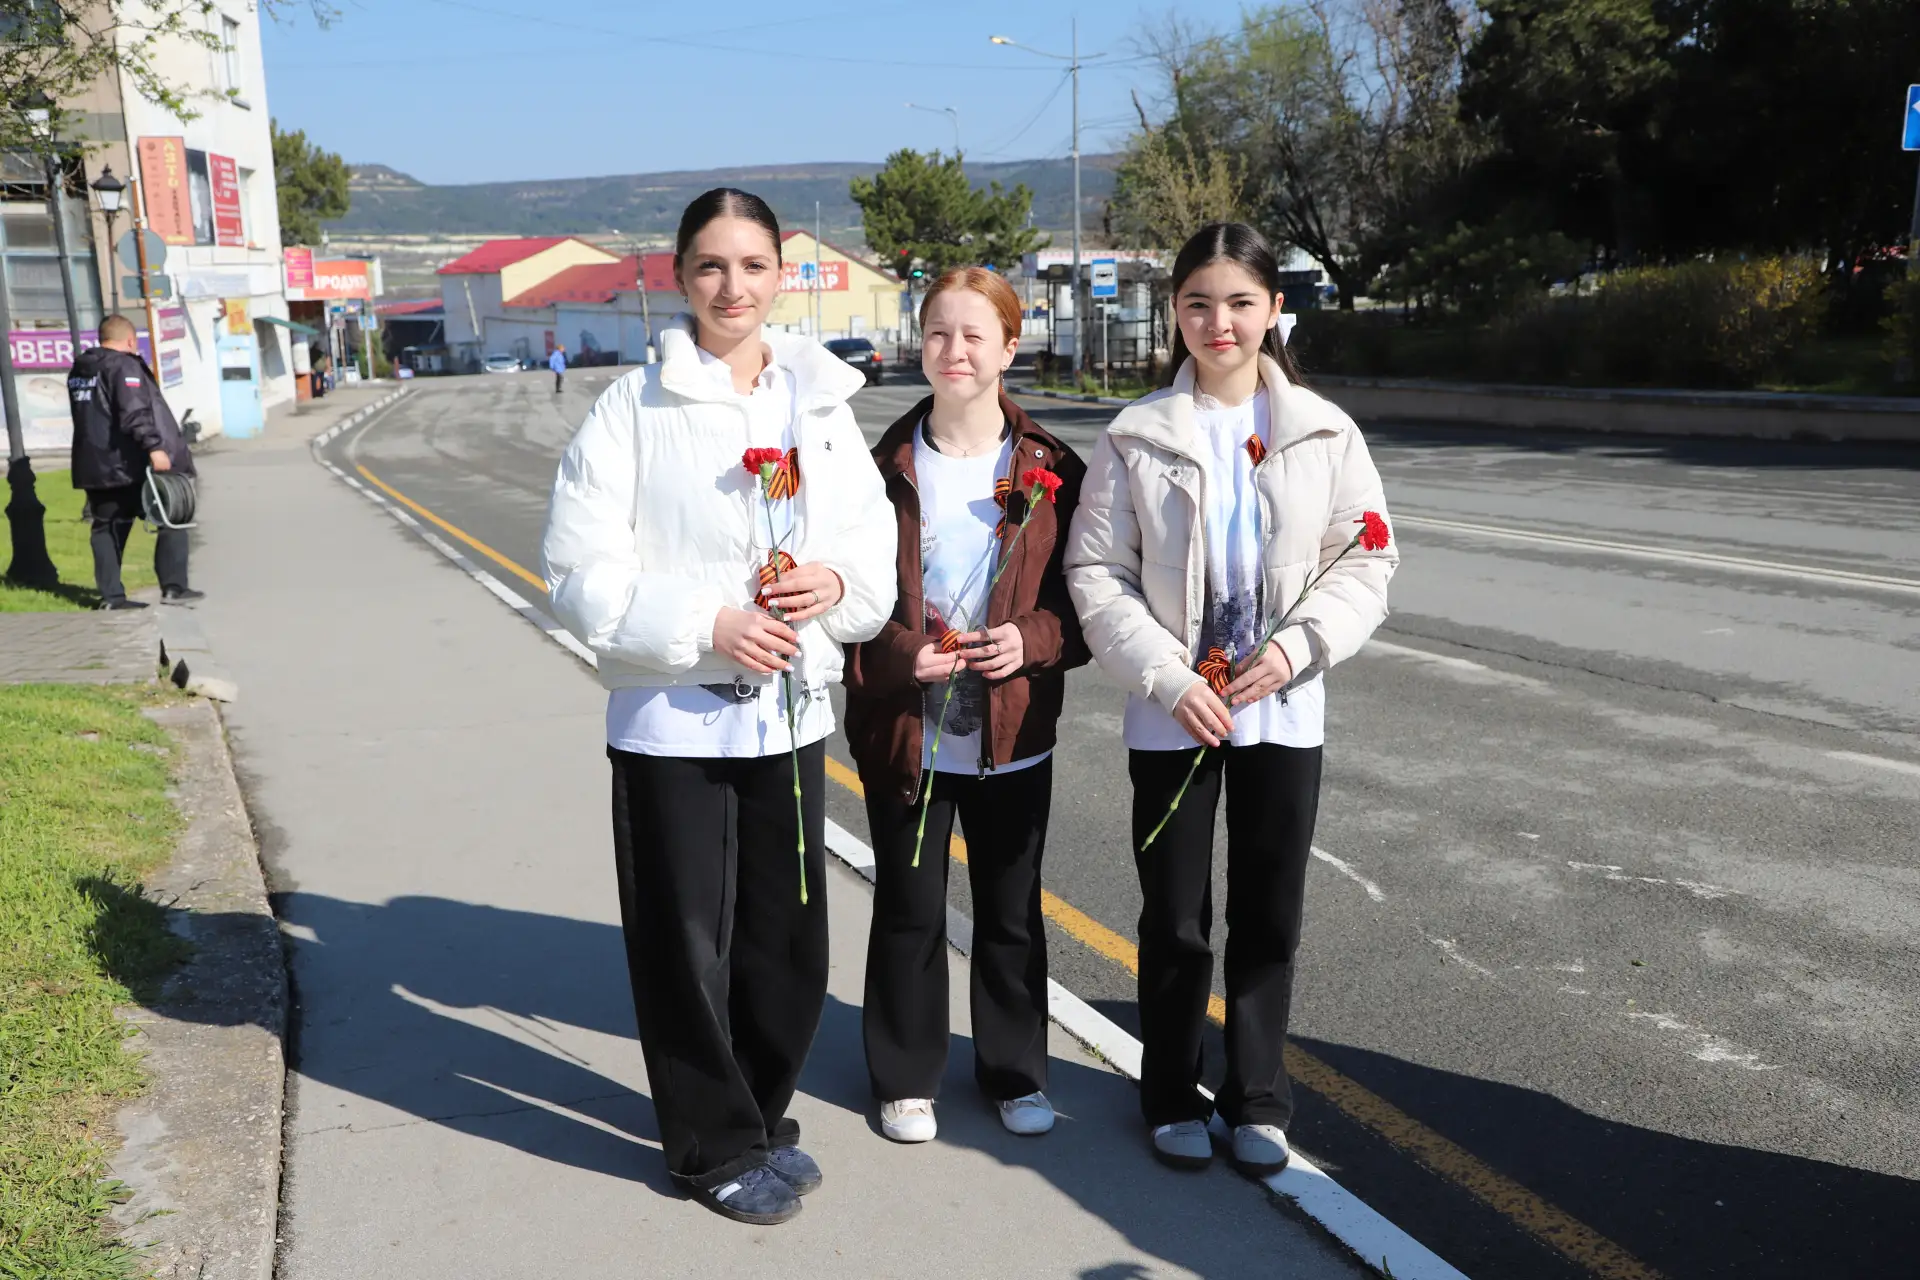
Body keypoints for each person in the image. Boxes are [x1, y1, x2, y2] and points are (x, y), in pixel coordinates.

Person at [541, 188, 897, 1226]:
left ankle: (759, 1111)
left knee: (787, 936)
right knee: (684, 940)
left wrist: (835, 584)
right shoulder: (631, 409)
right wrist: (710, 622)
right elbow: (576, 571)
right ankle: (709, 1144)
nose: (732, 287)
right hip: (673, 720)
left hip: (787, 716)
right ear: (679, 277)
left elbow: (870, 552)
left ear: (782, 273)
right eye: (710, 266)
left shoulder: (819, 406)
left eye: (752, 265)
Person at [1064, 223, 1397, 1177]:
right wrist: (1167, 678)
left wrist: (1296, 649)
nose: (1221, 323)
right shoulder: (1136, 435)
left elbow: (1365, 560)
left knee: (1268, 913)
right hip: (1172, 714)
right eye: (1199, 304)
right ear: (1175, 312)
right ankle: (1171, 1092)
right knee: (1175, 916)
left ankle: (1258, 1099)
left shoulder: (1323, 431)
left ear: (1274, 310)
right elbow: (1097, 573)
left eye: (1242, 303)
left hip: (1281, 712)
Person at [843, 268, 1088, 1146]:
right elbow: (845, 607)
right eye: (938, 333)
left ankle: (1014, 1074)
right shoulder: (877, 469)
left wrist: (1032, 640)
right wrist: (904, 655)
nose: (955, 350)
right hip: (907, 733)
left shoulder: (1052, 469)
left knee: (1010, 912)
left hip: (1013, 735)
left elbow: (1086, 604)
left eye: (975, 335)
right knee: (909, 907)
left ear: (1010, 348)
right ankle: (906, 1078)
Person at [66, 314, 203, 608]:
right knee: (173, 515)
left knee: (106, 527)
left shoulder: (81, 369)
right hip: (128, 464)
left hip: (94, 464)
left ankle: (112, 597)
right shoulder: (124, 366)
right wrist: (154, 447)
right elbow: (134, 413)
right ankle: (174, 587)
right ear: (130, 340)